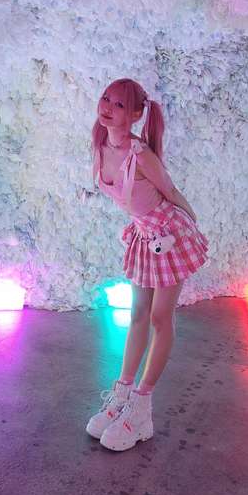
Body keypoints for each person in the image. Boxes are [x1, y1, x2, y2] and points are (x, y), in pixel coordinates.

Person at [86, 78, 209, 451]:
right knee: (137, 313)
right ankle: (122, 394)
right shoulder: (100, 144)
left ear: (137, 114)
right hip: (143, 234)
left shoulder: (141, 155)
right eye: (106, 98)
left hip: (169, 233)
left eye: (120, 105)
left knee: (159, 317)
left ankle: (142, 408)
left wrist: (192, 228)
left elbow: (170, 192)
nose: (108, 107)